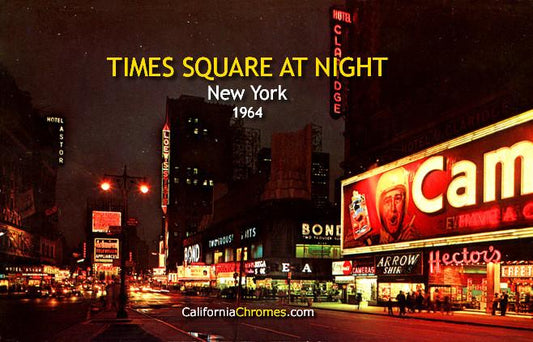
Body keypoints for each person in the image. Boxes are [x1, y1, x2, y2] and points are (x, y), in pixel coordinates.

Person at [376, 168, 416, 244]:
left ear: (404, 203)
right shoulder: (370, 242)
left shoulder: (412, 235)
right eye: (387, 201)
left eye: (397, 199)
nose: (393, 208)